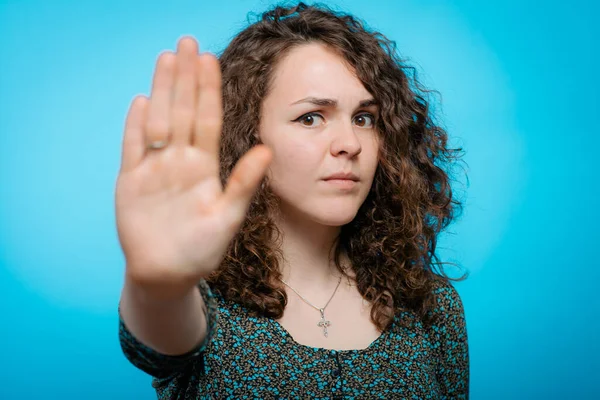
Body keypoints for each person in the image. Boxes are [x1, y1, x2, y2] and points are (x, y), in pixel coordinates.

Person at [116, 2, 469, 399]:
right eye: (311, 117)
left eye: (363, 118)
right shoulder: (201, 300)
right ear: (248, 133)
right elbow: (159, 331)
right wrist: (159, 285)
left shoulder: (430, 304)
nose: (350, 144)